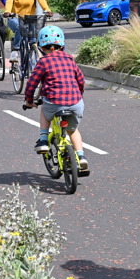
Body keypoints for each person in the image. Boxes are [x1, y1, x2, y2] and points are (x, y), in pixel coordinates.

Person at [23, 25, 90, 175]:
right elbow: (81, 80)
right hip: (75, 102)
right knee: (73, 130)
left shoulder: (43, 62)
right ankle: (81, 156)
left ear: (41, 47)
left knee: (44, 111)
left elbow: (32, 83)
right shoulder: (70, 60)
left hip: (54, 102)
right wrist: (79, 95)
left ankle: (43, 140)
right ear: (62, 45)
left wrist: (29, 100)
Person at [4, 0, 52, 66]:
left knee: (33, 39)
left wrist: (47, 10)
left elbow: (41, 0)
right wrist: (7, 11)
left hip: (29, 18)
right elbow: (9, 1)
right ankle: (15, 50)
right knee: (19, 28)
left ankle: (33, 60)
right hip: (15, 17)